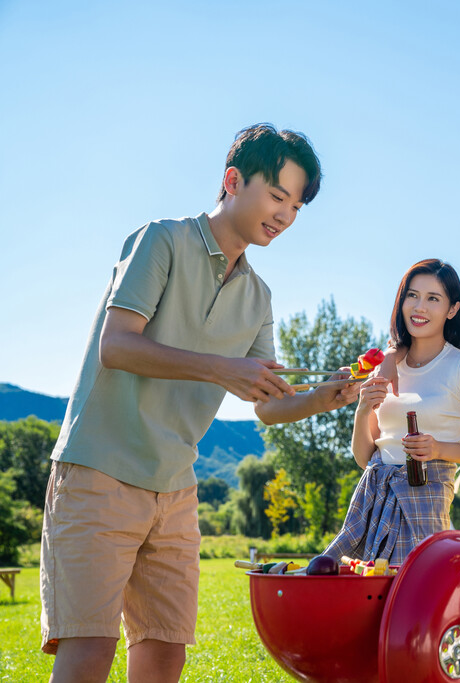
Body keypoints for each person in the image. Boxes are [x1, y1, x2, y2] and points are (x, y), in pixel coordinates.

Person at [39, 124, 348, 683]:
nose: (284, 215)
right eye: (277, 196)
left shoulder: (259, 295)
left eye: (296, 206)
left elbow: (266, 404)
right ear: (233, 180)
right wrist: (223, 369)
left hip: (175, 489)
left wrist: (323, 398)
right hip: (98, 470)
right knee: (89, 649)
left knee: (165, 654)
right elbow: (117, 346)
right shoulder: (163, 240)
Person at [321, 259, 460, 565]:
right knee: (345, 590)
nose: (420, 307)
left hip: (425, 501)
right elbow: (365, 458)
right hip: (371, 503)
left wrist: (439, 448)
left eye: (433, 299)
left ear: (452, 310)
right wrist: (362, 410)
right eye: (412, 295)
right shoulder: (384, 368)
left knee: (412, 598)